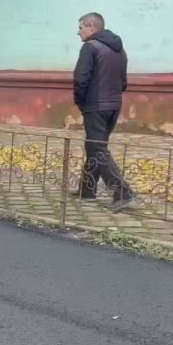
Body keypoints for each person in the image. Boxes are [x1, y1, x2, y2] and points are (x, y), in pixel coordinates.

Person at [73, 12, 134, 212]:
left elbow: (81, 78)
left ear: (92, 26)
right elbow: (123, 81)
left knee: (97, 148)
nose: (78, 32)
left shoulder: (90, 47)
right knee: (95, 146)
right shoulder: (119, 50)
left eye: (81, 27)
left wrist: (80, 102)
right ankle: (87, 189)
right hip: (114, 105)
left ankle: (122, 192)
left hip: (96, 105)